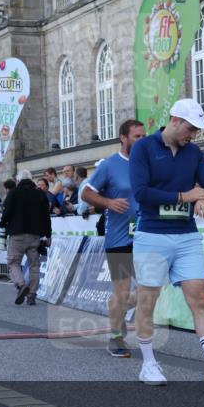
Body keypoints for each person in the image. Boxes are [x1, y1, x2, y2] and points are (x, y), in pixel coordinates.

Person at [129, 98, 204, 393]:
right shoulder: (143, 148)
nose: (194, 135)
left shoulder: (193, 153)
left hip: (186, 236)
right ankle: (148, 363)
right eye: (191, 128)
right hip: (152, 235)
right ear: (175, 120)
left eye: (195, 130)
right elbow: (142, 193)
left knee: (200, 299)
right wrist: (185, 196)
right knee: (148, 301)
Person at [82, 118, 147, 357]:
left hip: (147, 235)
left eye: (144, 136)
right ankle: (116, 336)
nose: (142, 140)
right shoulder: (110, 165)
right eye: (137, 136)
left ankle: (116, 312)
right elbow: (86, 193)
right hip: (119, 239)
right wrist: (108, 202)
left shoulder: (147, 163)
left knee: (151, 287)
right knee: (122, 289)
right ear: (124, 138)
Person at [0, 170, 52, 306]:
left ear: (18, 180)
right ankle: (32, 295)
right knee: (34, 264)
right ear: (31, 179)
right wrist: (48, 235)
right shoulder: (40, 193)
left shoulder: (14, 192)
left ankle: (22, 285)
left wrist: (2, 223)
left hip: (17, 234)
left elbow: (7, 211)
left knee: (13, 262)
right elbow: (46, 216)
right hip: (35, 235)